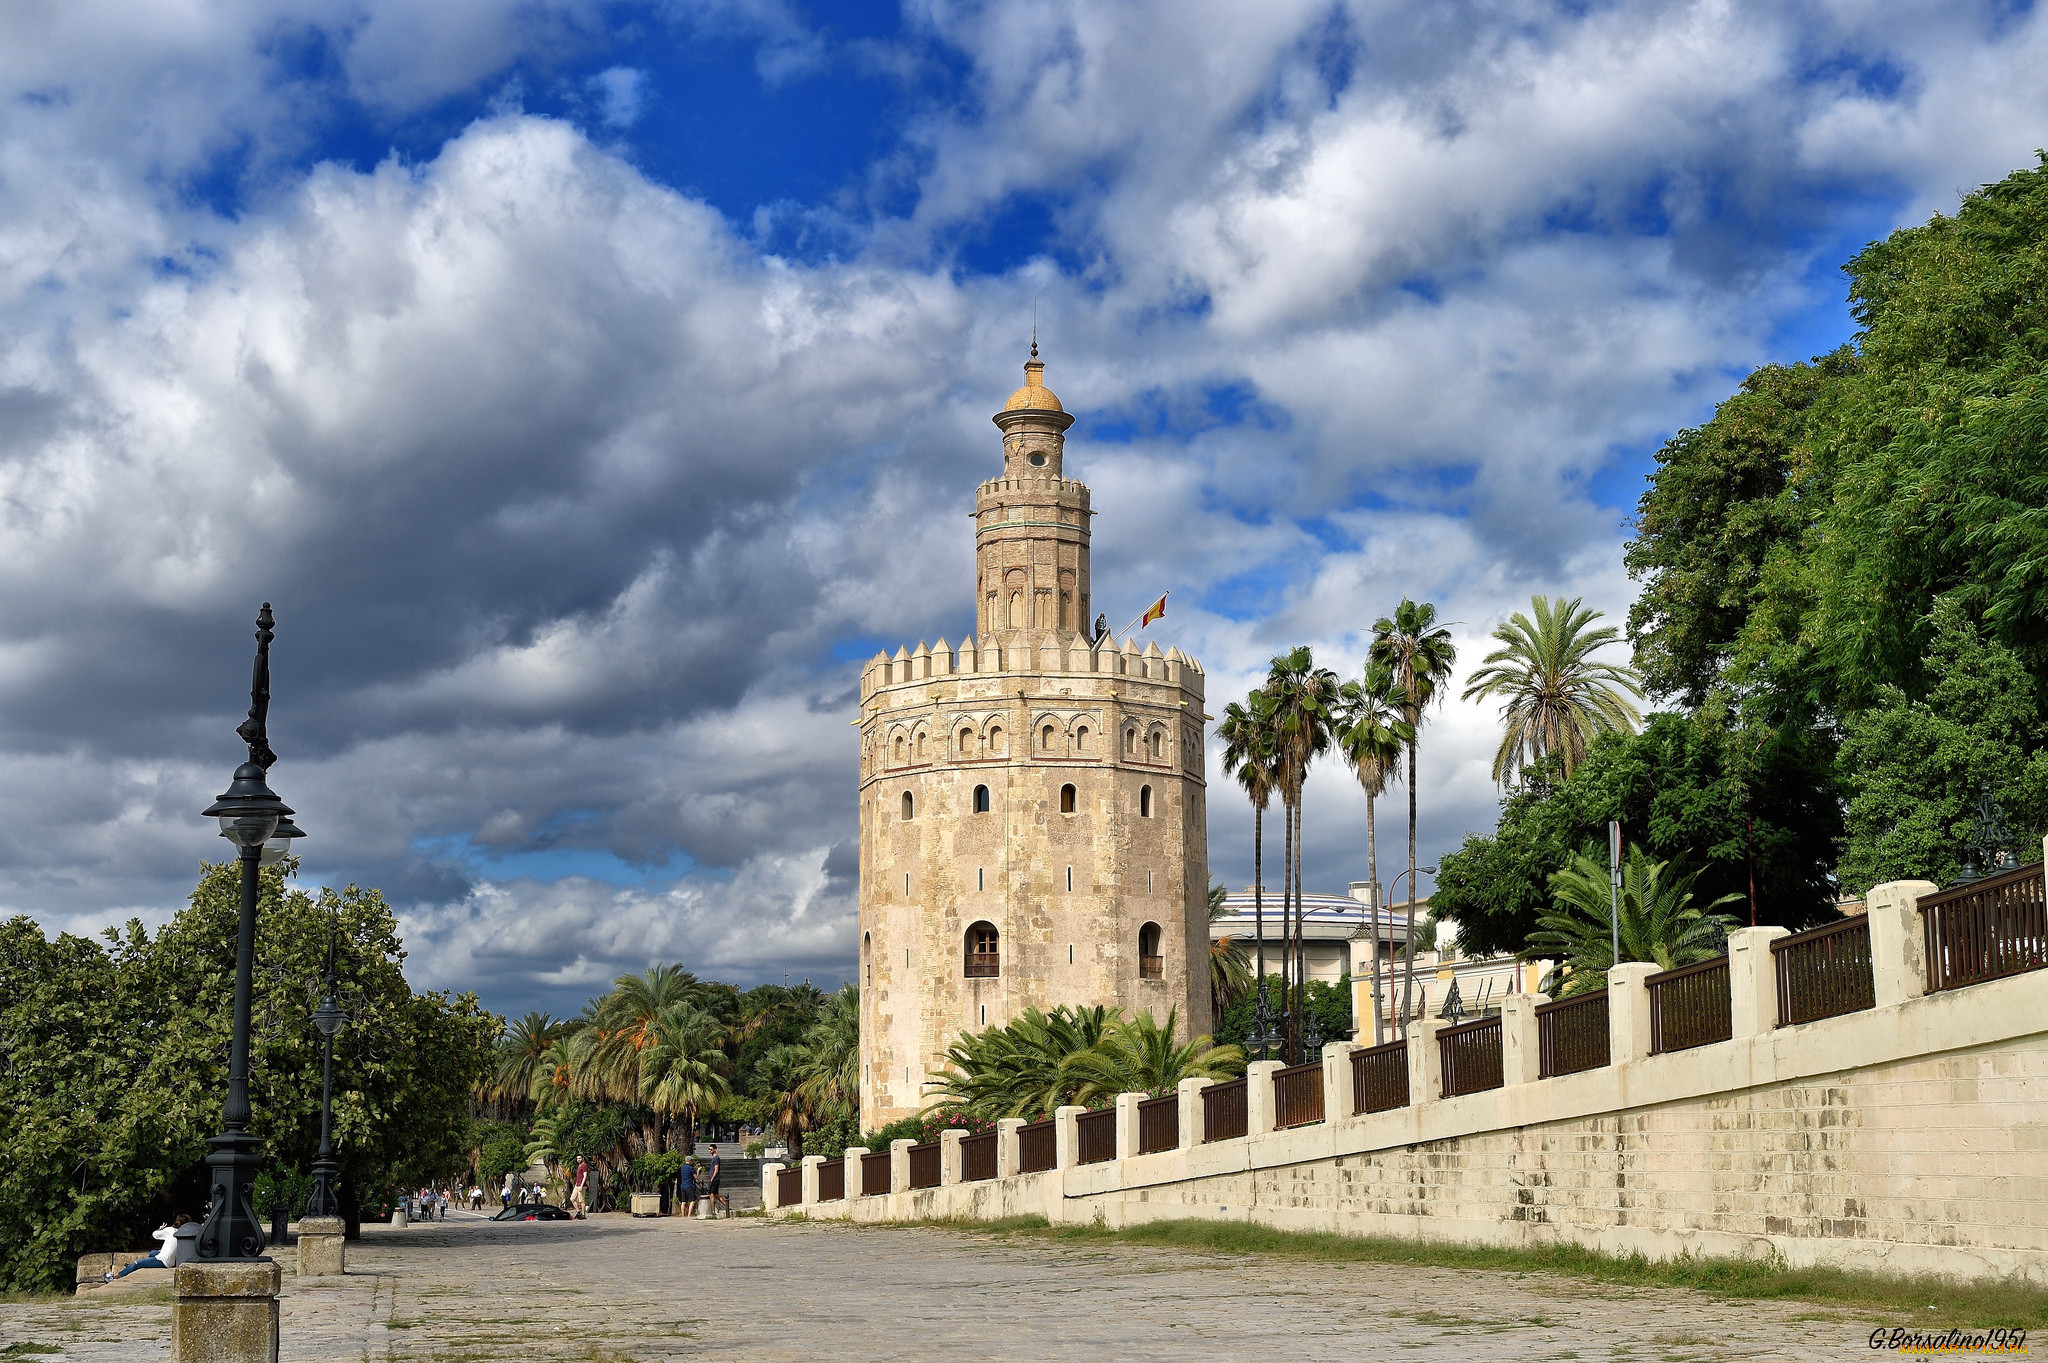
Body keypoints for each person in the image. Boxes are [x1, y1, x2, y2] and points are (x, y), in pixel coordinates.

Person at [102, 1215, 190, 1281]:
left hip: (164, 1261)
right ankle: (132, 1267)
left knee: (137, 1263)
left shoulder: (169, 1230)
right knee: (153, 1253)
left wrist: (160, 1229)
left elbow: (155, 1235)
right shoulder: (186, 1234)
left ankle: (114, 1277)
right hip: (172, 1260)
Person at [703, 1147, 724, 1218]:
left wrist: (712, 1177)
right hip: (713, 1178)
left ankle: (713, 1211)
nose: (709, 1151)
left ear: (715, 1149)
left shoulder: (716, 1159)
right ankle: (726, 1205)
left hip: (715, 1179)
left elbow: (716, 1169)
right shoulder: (713, 1159)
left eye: (711, 1149)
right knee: (715, 1194)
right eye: (709, 1149)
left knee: (712, 1194)